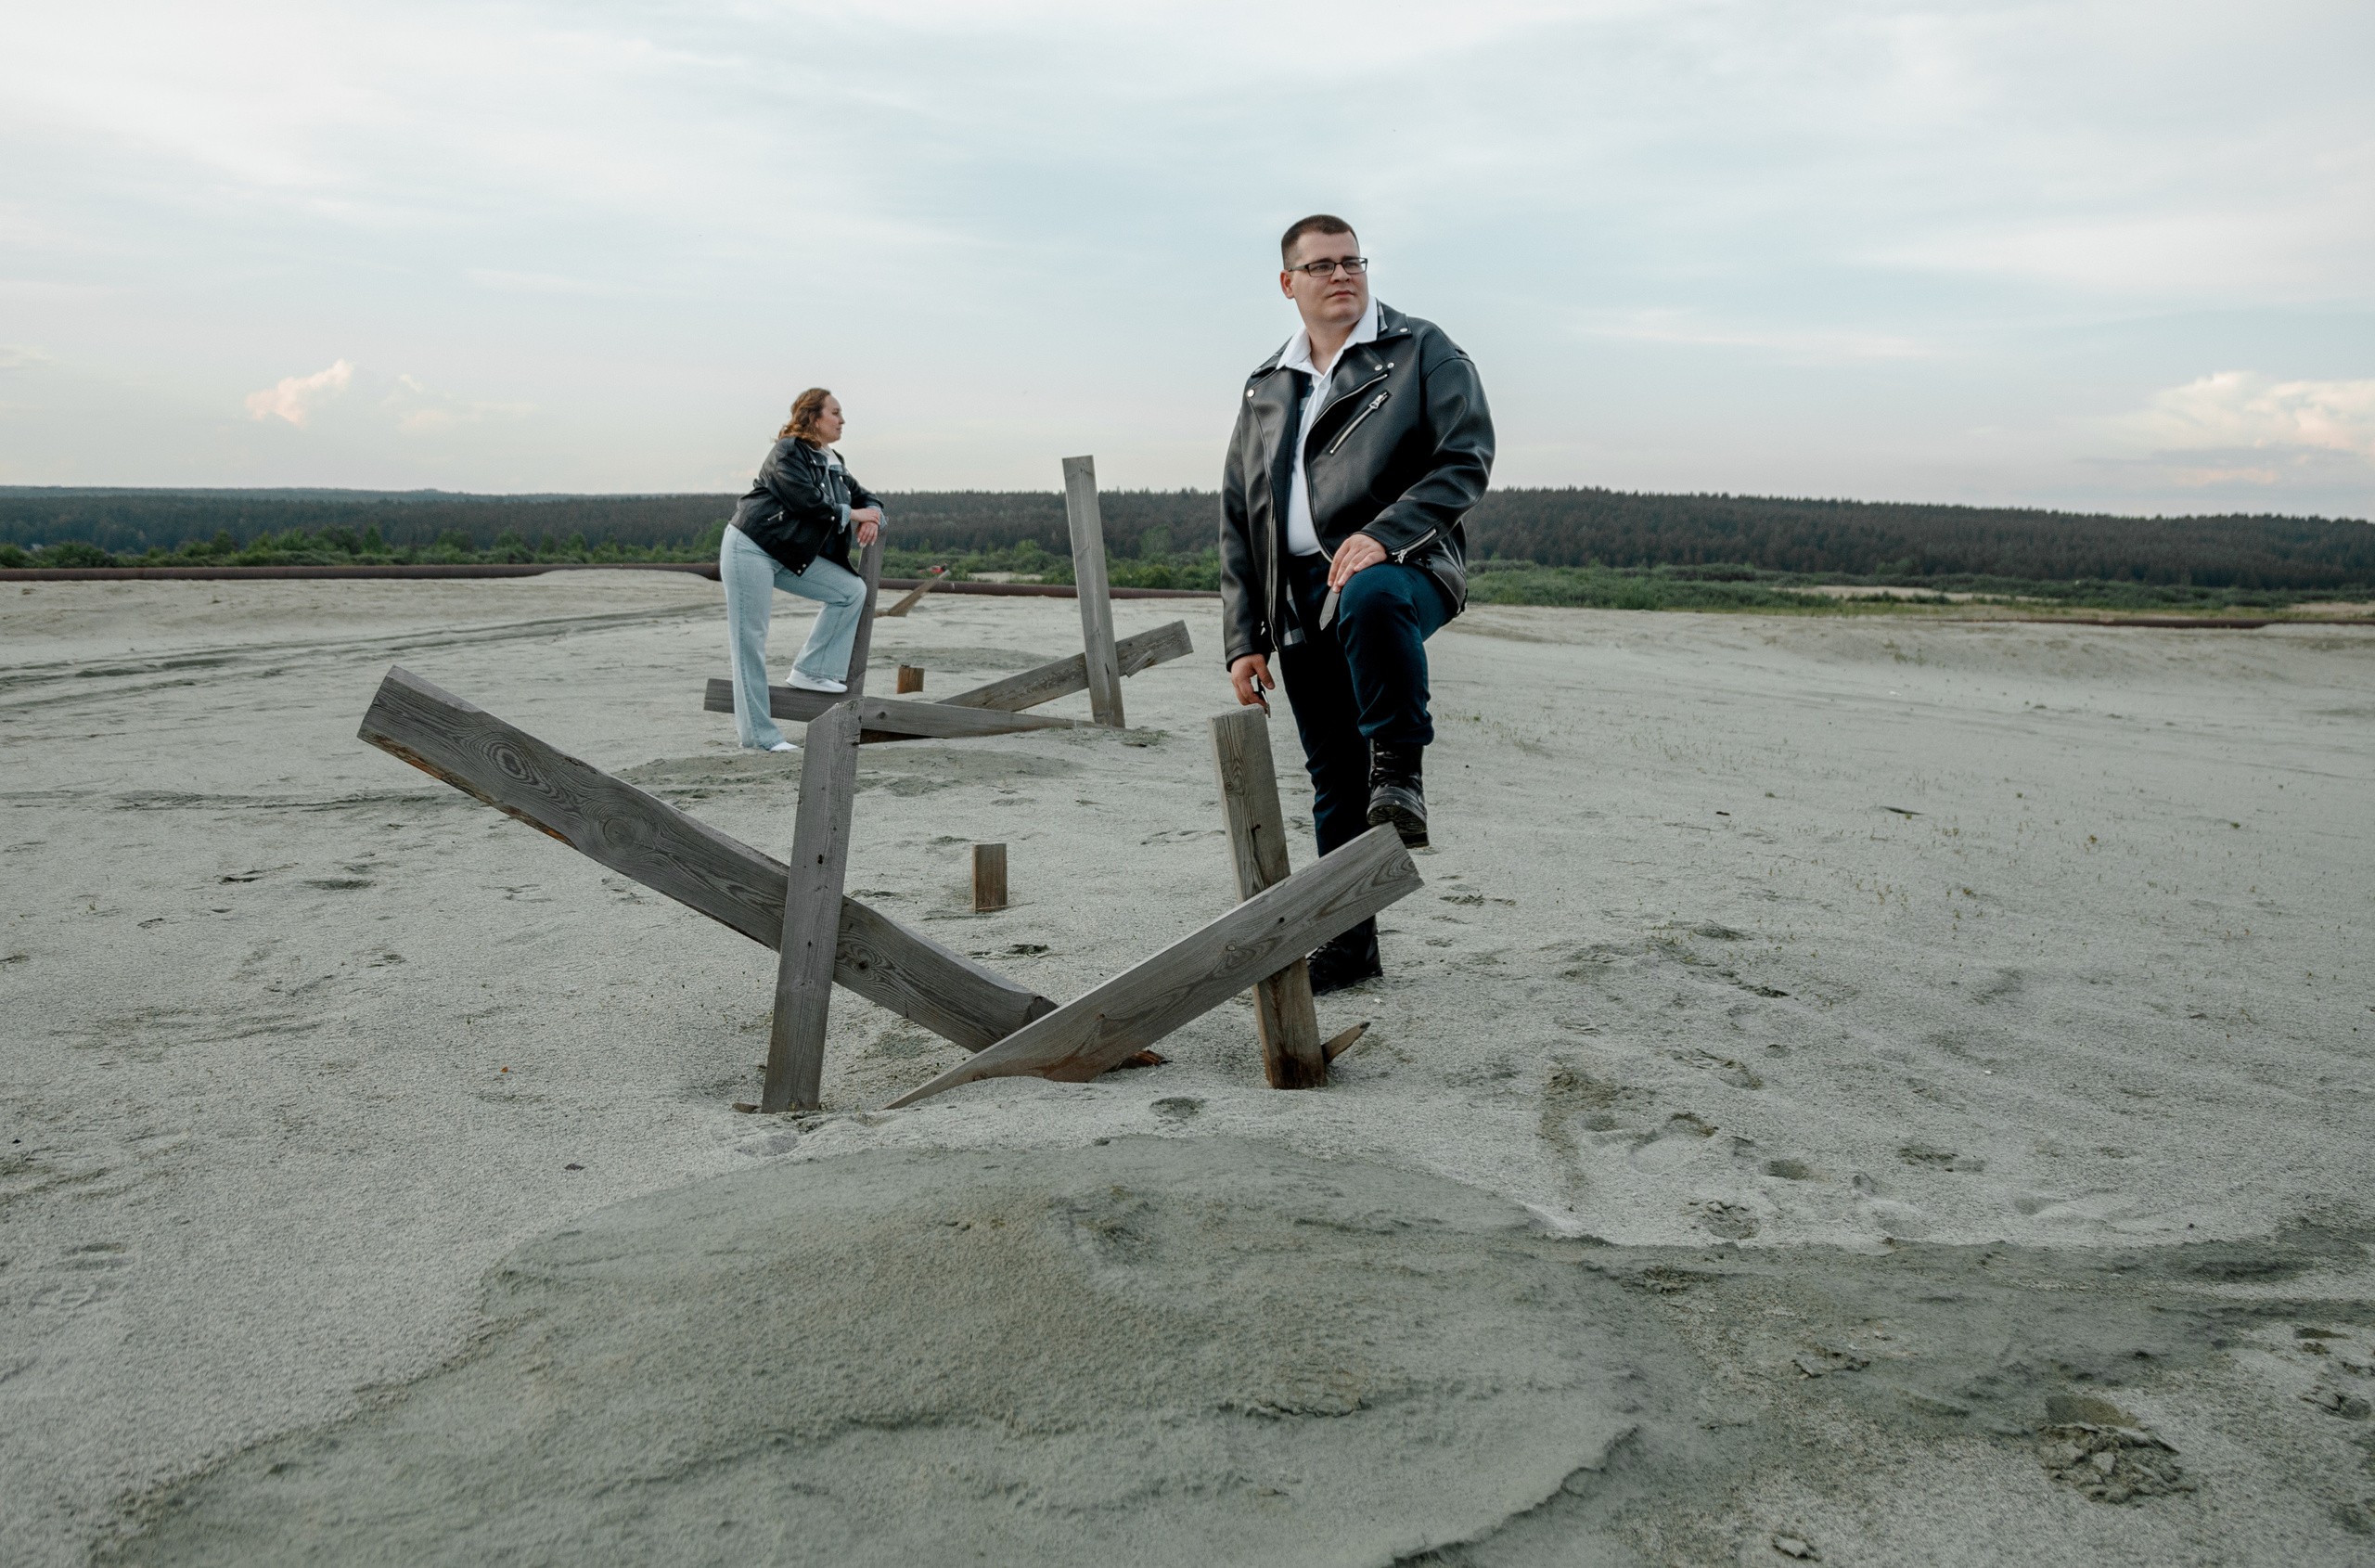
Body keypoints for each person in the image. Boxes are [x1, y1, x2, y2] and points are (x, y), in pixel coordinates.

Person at [1217, 214, 1495, 993]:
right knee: (1334, 779)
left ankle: (1401, 774)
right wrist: (1247, 636)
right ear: (1289, 283)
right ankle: (1347, 947)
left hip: (1403, 565)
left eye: (1353, 262)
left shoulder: (1419, 350)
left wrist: (1384, 533)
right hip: (1300, 592)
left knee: (1370, 592)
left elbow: (1466, 458)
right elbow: (1241, 516)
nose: (1343, 275)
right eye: (1323, 266)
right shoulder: (1267, 385)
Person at [721, 389, 885, 753]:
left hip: (791, 554)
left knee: (850, 591)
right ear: (813, 417)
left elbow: (866, 497)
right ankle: (760, 737)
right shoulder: (788, 451)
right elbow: (804, 499)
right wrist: (852, 515)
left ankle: (813, 670)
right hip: (752, 545)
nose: (842, 421)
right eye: (836, 413)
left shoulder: (833, 461)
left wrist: (873, 516)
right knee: (750, 638)